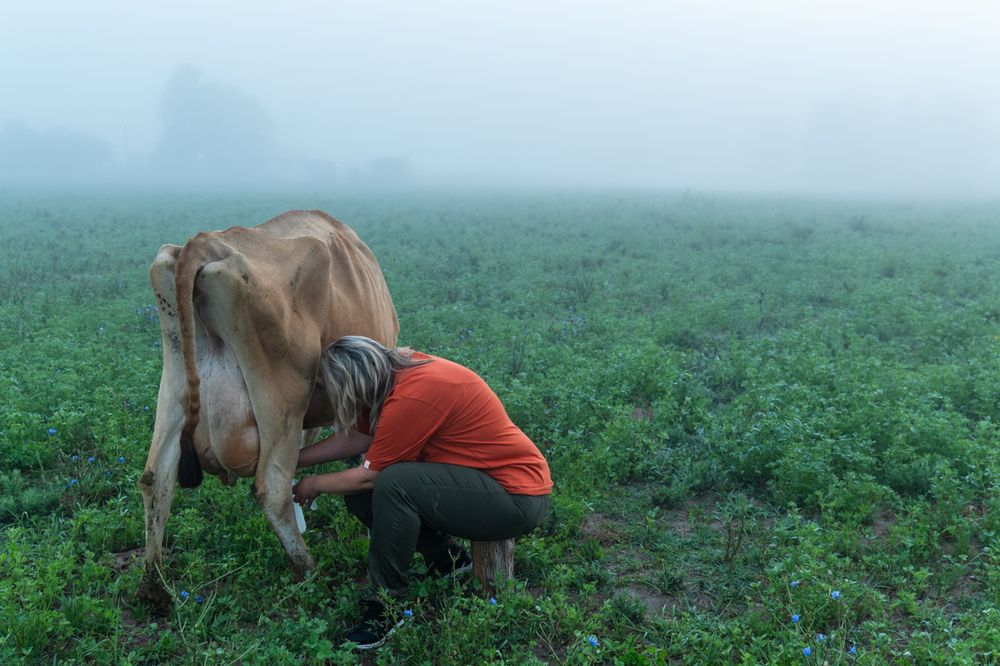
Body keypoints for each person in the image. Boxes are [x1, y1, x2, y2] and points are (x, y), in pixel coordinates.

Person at [293, 336, 552, 650]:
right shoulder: (389, 376)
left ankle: (387, 609)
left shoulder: (413, 394)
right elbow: (356, 441)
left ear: (354, 383)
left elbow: (369, 476)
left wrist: (313, 484)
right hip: (483, 486)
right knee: (366, 494)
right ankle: (448, 561)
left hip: (516, 497)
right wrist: (290, 460)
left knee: (394, 483)